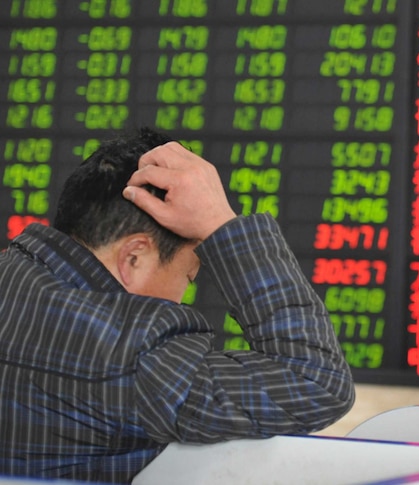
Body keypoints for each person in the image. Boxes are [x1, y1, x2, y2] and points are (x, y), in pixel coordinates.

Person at [0, 128, 355, 483]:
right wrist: (220, 224)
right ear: (134, 257)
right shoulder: (133, 356)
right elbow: (316, 380)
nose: (184, 292)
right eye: (189, 276)